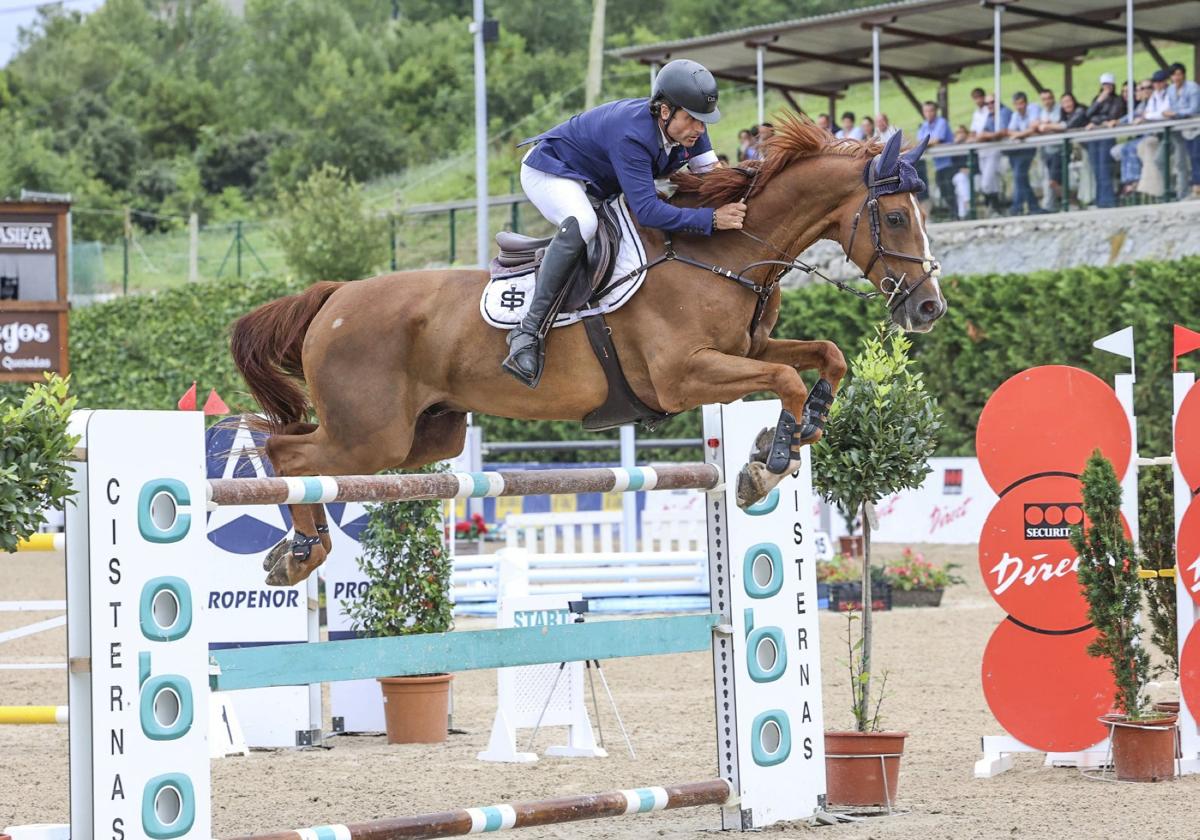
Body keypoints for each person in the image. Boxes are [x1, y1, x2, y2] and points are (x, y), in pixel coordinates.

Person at [506, 58, 745, 387]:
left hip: (601, 183)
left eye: (703, 122)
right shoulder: (631, 135)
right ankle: (526, 332)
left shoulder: (691, 129)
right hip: (552, 171)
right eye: (692, 120)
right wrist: (712, 219)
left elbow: (714, 176)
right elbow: (647, 211)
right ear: (665, 111)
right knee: (584, 224)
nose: (699, 130)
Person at [1083, 72, 1126, 208]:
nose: (1106, 87)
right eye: (1104, 85)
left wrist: (1096, 123)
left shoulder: (1117, 100)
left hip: (1106, 136)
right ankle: (1100, 199)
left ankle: (1108, 200)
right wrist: (1099, 102)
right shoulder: (1097, 99)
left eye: (1108, 85)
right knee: (1096, 169)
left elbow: (1112, 116)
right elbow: (1088, 114)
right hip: (1094, 137)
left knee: (1104, 169)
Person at [1038, 91, 1089, 208]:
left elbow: (1063, 126)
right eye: (1043, 99)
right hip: (1047, 151)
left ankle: (1072, 202)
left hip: (1060, 150)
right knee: (1056, 182)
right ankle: (1069, 203)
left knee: (1054, 182)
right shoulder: (1043, 113)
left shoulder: (1062, 111)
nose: (1046, 101)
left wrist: (1047, 126)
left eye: (1048, 98)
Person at [970, 93, 1011, 214]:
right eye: (988, 103)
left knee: (987, 183)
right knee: (991, 183)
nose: (990, 105)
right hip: (986, 151)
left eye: (992, 102)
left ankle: (997, 207)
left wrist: (985, 136)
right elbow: (982, 132)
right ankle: (997, 209)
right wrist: (983, 136)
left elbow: (1002, 132)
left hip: (998, 151)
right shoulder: (990, 115)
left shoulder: (1003, 112)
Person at [1164, 62, 1200, 198]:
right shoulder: (1171, 90)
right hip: (1182, 129)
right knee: (1185, 159)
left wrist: (1175, 113)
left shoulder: (1193, 88)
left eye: (1179, 74)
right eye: (1174, 74)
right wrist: (1171, 113)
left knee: (1197, 156)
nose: (1177, 77)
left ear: (1183, 74)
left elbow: (1194, 109)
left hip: (1196, 127)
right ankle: (1188, 189)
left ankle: (1197, 186)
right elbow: (1170, 107)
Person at [1004, 91, 1042, 214]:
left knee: (1019, 175)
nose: (1019, 107)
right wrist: (1022, 134)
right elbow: (1010, 131)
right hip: (1018, 149)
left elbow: (1033, 127)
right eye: (1017, 104)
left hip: (1030, 147)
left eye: (1021, 104)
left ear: (1026, 103)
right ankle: (1033, 206)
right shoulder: (1015, 115)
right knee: (1021, 178)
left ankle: (1017, 206)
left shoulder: (1034, 108)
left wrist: (1019, 134)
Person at [916, 101, 954, 216]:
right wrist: (926, 143)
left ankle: (956, 214)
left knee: (949, 190)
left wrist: (926, 143)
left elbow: (937, 140)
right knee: (943, 189)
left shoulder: (942, 122)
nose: (929, 113)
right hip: (938, 164)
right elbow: (919, 142)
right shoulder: (924, 125)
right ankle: (951, 214)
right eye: (926, 111)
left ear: (935, 111)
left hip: (949, 162)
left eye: (931, 110)